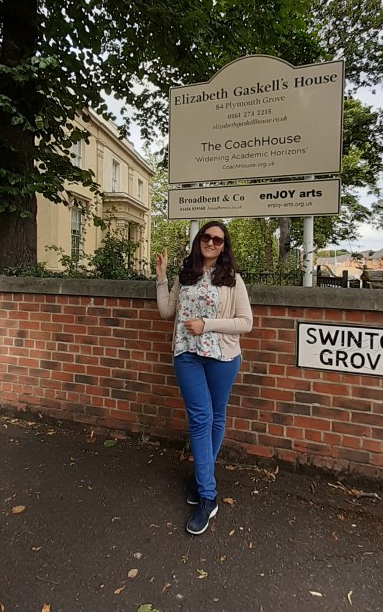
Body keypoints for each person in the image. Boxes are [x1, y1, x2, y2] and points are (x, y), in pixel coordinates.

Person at [156, 221, 253, 535]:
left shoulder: (232, 279)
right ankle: (208, 496)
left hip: (222, 357)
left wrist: (207, 324)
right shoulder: (186, 275)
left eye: (218, 240)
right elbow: (166, 312)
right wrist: (161, 277)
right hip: (187, 355)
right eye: (207, 237)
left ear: (224, 247)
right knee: (200, 419)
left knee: (216, 416)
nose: (211, 243)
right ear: (199, 240)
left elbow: (246, 323)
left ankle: (202, 480)